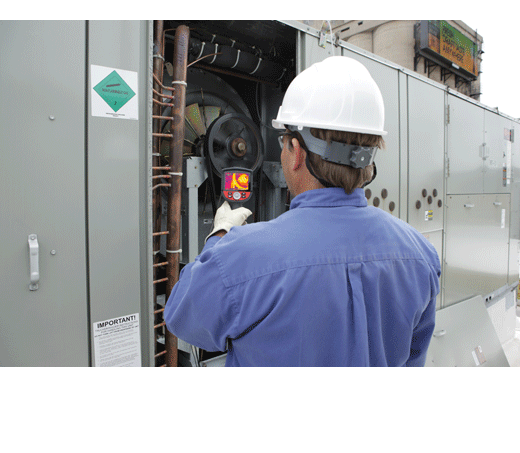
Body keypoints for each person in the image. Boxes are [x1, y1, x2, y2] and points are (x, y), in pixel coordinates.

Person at [164, 56, 441, 367]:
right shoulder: (421, 256)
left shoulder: (238, 257)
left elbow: (182, 318)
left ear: (295, 152)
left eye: (284, 141)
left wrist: (219, 236)